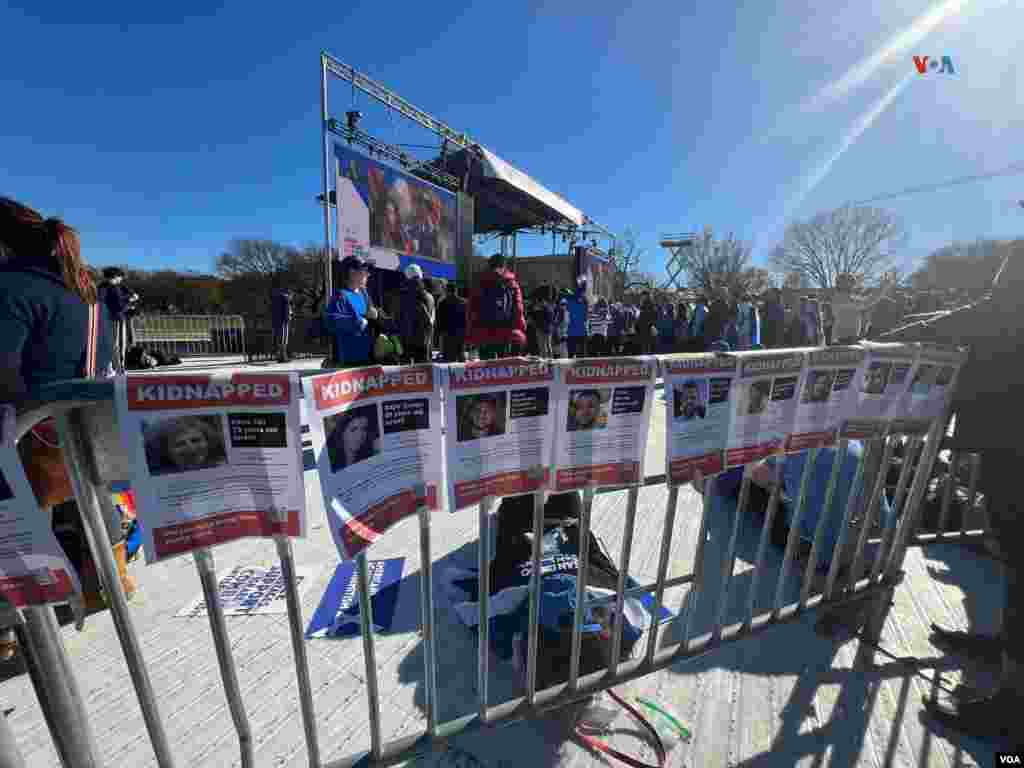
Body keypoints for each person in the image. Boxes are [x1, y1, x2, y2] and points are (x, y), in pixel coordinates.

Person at [881, 248, 1024, 745]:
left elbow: (981, 312)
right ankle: (1006, 649)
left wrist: (878, 341)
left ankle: (1012, 707)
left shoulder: (1011, 293)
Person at [0, 197, 129, 659]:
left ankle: (6, 624)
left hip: (30, 443)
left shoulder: (11, 287)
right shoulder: (84, 289)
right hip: (83, 441)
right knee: (87, 494)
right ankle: (110, 578)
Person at [466, 254, 526, 360]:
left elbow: (471, 309)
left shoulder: (479, 281)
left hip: (483, 331)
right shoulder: (511, 283)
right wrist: (520, 328)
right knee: (504, 363)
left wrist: (471, 331)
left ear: (489, 265)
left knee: (486, 366)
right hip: (506, 331)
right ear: (504, 266)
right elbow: (518, 308)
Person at [325, 256, 378, 367]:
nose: (368, 275)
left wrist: (375, 314)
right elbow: (331, 320)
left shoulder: (364, 294)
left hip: (369, 358)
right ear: (352, 272)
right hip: (350, 362)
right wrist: (358, 322)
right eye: (364, 271)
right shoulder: (341, 295)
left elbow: (370, 316)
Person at [145, 416, 226, 475]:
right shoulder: (156, 475)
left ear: (208, 442)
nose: (191, 448)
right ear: (166, 451)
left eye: (195, 440)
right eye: (180, 444)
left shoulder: (222, 468)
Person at [398, 264, 435, 364]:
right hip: (425, 344)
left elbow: (397, 319)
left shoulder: (401, 297)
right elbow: (431, 322)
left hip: (406, 343)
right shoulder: (430, 297)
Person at [97, 266, 133, 371]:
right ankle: (119, 366)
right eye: (120, 277)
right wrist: (129, 301)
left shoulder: (100, 287)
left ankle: (109, 366)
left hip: (104, 318)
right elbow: (119, 305)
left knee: (108, 343)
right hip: (117, 318)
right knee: (119, 344)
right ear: (116, 276)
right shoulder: (115, 288)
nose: (121, 279)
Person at [326, 406, 380, 471]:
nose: (359, 436)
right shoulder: (330, 463)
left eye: (364, 428)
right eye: (353, 429)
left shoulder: (369, 459)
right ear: (342, 432)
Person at [437, 283, 467, 362]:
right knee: (461, 358)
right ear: (456, 291)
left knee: (449, 361)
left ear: (446, 291)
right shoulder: (464, 302)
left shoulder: (442, 303)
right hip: (461, 335)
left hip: (447, 336)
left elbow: (439, 322)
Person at [271, 287, 293, 363]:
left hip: (277, 321)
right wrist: (288, 318)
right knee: (284, 339)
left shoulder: (277, 299)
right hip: (283, 321)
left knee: (279, 339)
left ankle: (280, 356)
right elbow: (287, 311)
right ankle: (282, 357)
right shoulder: (285, 300)